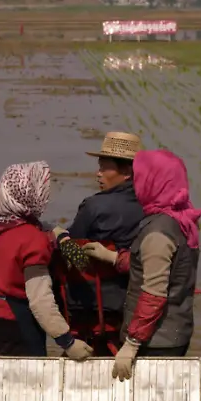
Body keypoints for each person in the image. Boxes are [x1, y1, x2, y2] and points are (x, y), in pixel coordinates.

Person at [0, 162, 93, 360]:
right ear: (34, 195)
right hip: (17, 324)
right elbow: (40, 299)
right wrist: (67, 341)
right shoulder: (33, 239)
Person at [109, 149, 201, 380]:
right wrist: (113, 258)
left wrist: (131, 344)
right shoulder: (179, 220)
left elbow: (154, 293)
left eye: (140, 177)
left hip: (155, 341)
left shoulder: (158, 233)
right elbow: (162, 268)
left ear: (153, 181)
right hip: (175, 333)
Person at [56, 131, 145, 355]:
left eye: (104, 168)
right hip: (132, 301)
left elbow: (72, 252)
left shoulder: (94, 207)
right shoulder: (150, 207)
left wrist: (59, 236)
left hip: (91, 305)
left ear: (126, 172)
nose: (98, 174)